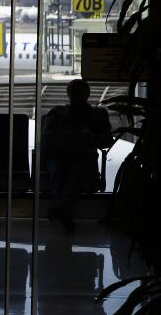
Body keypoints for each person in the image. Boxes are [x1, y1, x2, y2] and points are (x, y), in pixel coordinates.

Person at [41, 78, 114, 233]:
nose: (77, 97)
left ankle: (60, 207)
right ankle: (62, 208)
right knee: (75, 168)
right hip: (75, 159)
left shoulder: (57, 113)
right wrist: (84, 138)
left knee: (66, 170)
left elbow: (49, 139)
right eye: (76, 93)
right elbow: (48, 139)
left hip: (65, 159)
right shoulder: (96, 115)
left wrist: (72, 138)